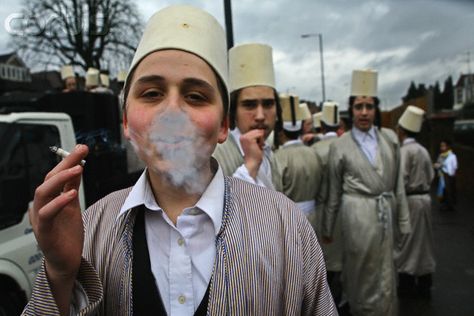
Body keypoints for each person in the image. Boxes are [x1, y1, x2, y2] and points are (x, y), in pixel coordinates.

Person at [24, 5, 336, 315]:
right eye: (151, 94)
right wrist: (60, 275)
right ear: (127, 122)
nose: (172, 111)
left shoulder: (285, 228)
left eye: (196, 96)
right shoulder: (91, 230)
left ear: (223, 126)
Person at [323, 69, 411, 316]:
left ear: (376, 109)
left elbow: (398, 186)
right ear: (350, 110)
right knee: (361, 269)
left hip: (385, 210)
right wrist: (328, 228)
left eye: (369, 106)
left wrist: (403, 220)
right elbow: (333, 191)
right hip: (357, 215)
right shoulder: (339, 146)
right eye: (359, 106)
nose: (364, 112)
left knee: (387, 267)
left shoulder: (390, 139)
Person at [213, 43, 283, 191]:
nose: (260, 116)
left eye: (268, 104)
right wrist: (250, 167)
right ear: (233, 111)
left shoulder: (270, 153)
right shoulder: (215, 156)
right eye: (249, 105)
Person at [395, 106, 436, 299]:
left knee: (408, 242)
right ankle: (425, 280)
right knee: (424, 242)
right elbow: (431, 175)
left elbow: (401, 180)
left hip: (410, 200)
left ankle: (407, 281)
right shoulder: (423, 151)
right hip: (425, 199)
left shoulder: (405, 152)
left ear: (402, 130)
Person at [311, 101, 343, 304]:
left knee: (326, 262)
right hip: (348, 209)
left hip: (322, 210)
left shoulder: (314, 149)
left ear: (321, 126)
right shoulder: (347, 146)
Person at [274, 94, 321, 218]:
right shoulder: (314, 152)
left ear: (281, 131)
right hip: (315, 216)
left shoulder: (277, 157)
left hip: (290, 219)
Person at [434, 139, 458, 211]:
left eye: (443, 146)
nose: (442, 147)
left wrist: (451, 172)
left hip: (449, 175)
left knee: (449, 190)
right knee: (443, 190)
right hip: (442, 175)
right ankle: (445, 204)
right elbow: (438, 164)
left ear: (448, 147)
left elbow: (455, 166)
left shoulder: (452, 156)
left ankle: (450, 205)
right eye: (441, 146)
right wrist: (437, 166)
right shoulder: (441, 155)